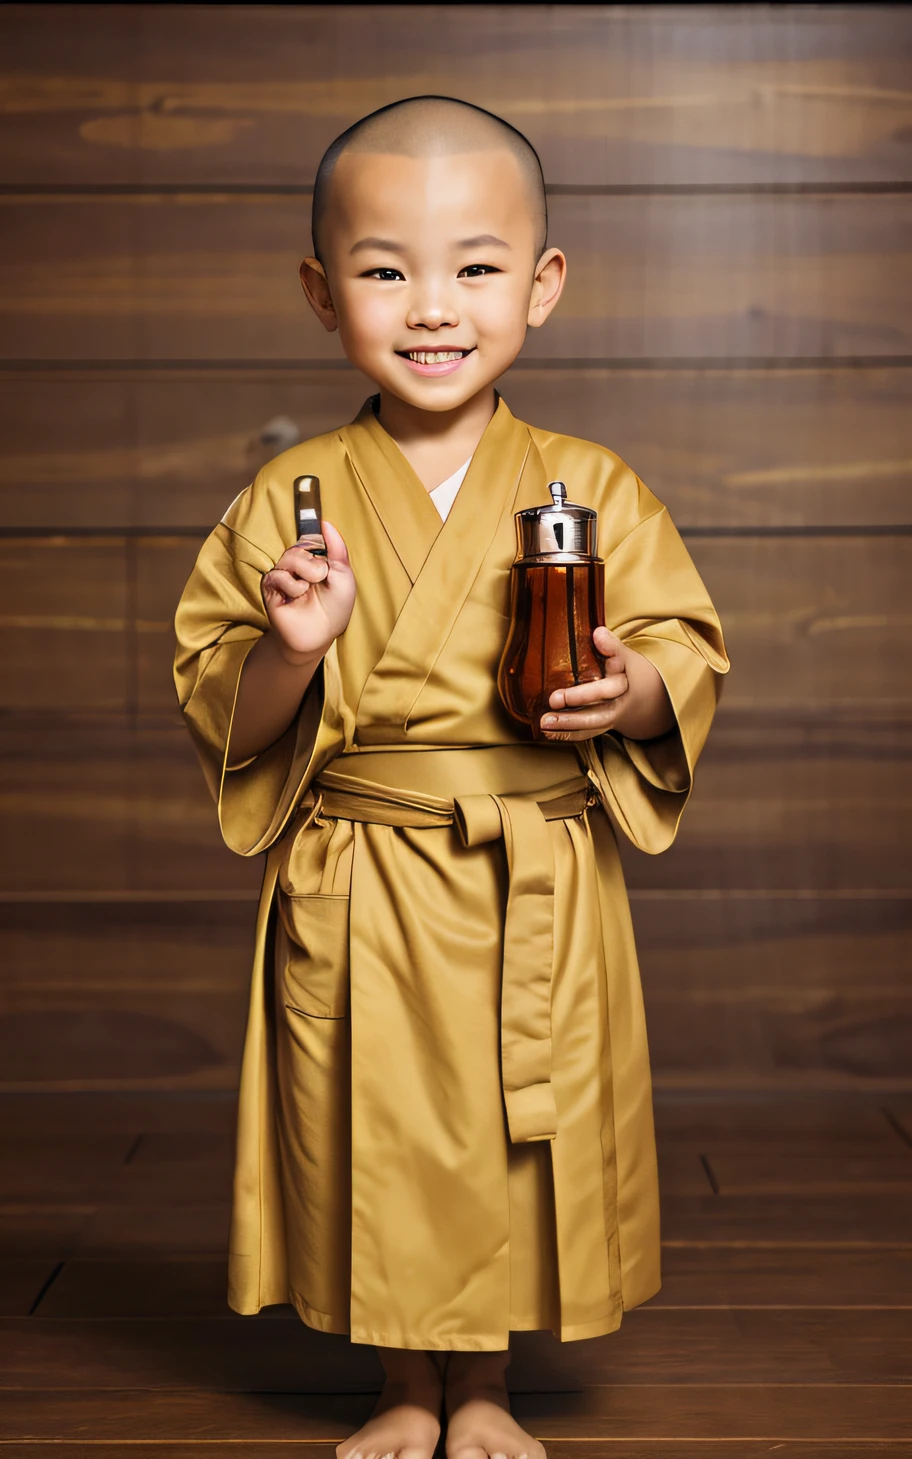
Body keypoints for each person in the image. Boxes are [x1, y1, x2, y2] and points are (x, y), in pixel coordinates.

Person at [173, 95, 730, 1459]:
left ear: (542, 286)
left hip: (528, 858)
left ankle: (480, 1382)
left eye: (476, 266)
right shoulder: (291, 497)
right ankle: (397, 1381)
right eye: (385, 270)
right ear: (321, 291)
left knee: (501, 1130)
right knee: (375, 1120)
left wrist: (632, 688)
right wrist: (294, 650)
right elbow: (225, 710)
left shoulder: (590, 482)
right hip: (361, 870)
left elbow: (683, 648)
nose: (434, 306)